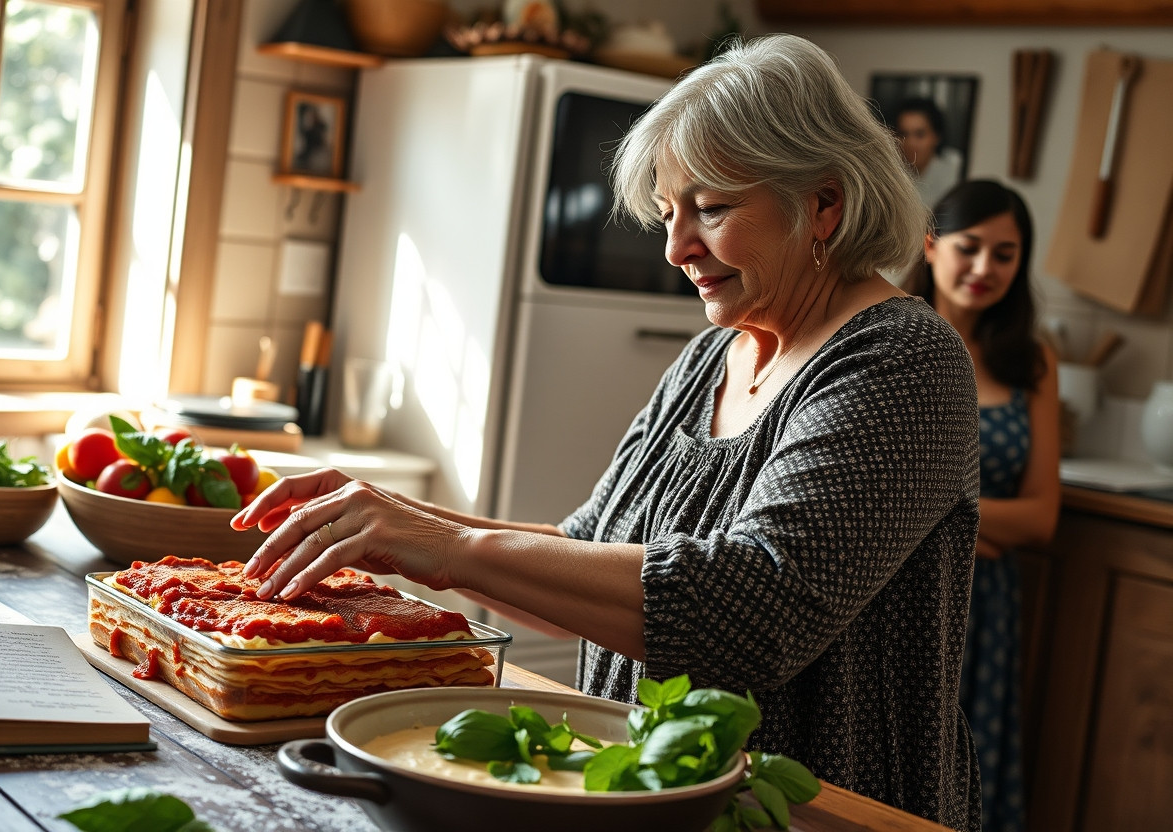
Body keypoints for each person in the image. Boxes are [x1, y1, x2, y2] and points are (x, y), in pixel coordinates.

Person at [234, 34, 980, 831]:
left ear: (823, 204)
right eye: (667, 215)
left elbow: (756, 607)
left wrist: (446, 547)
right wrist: (398, 525)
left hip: (816, 812)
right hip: (645, 801)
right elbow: (583, 550)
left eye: (713, 208)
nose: (675, 248)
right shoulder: (708, 358)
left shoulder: (904, 359)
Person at [907, 179, 1060, 832]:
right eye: (970, 247)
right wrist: (973, 522)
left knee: (970, 775)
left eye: (1005, 254)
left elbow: (1042, 515)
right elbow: (868, 501)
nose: (983, 268)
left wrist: (942, 514)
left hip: (985, 605)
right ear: (931, 244)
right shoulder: (894, 339)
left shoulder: (1033, 360)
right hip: (901, 586)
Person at [893, 97, 963, 209]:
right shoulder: (891, 175)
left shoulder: (954, 177)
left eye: (920, 134)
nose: (911, 143)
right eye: (903, 134)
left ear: (936, 137)